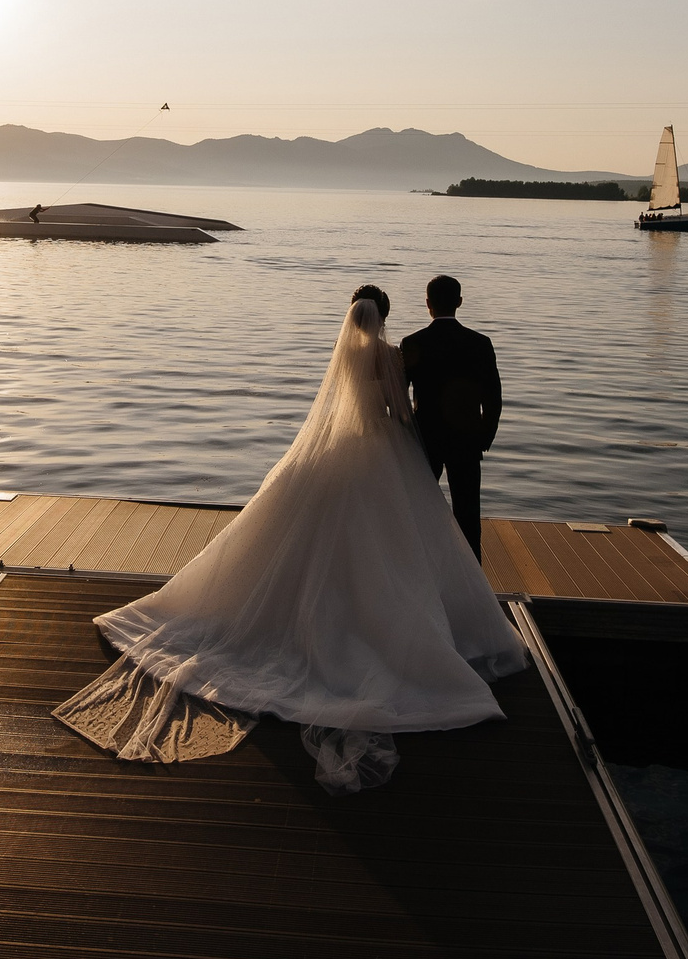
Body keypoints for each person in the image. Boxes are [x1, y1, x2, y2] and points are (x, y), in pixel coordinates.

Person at [52, 286, 525, 793]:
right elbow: (401, 410)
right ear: (385, 316)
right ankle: (431, 602)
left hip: (342, 448)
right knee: (415, 532)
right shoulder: (397, 353)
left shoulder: (350, 353)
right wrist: (426, 441)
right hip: (392, 449)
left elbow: (348, 404)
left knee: (326, 532)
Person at [397, 274, 501, 560]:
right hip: (466, 439)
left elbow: (398, 394)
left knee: (418, 509)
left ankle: (419, 566)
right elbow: (493, 396)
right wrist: (483, 436)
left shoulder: (412, 342)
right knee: (468, 516)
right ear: (459, 302)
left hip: (424, 440)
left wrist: (409, 431)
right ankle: (473, 577)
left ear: (427, 303)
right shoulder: (480, 343)